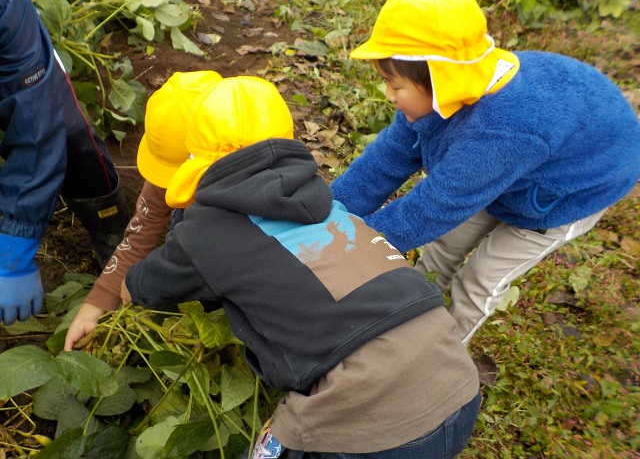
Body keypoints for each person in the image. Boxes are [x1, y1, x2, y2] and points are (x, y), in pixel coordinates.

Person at [121, 76, 481, 458]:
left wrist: (133, 280)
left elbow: (139, 289)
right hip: (457, 381)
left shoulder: (204, 232)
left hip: (374, 418)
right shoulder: (321, 198)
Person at [330, 0, 640, 344]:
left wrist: (343, 251)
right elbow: (385, 161)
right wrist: (325, 214)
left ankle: (444, 354)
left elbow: (430, 209)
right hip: (510, 164)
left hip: (571, 187)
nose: (388, 94)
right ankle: (412, 313)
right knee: (442, 246)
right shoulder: (441, 96)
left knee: (480, 278)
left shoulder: (499, 133)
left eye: (395, 86)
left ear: (441, 79)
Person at [63, 70, 223, 351]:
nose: (171, 187)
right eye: (169, 177)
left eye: (183, 179)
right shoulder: (174, 157)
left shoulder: (263, 190)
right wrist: (96, 304)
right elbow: (140, 233)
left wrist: (148, 283)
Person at [0, 0, 130, 326]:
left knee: (69, 130)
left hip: (13, 63)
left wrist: (16, 247)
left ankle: (114, 236)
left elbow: (37, 118)